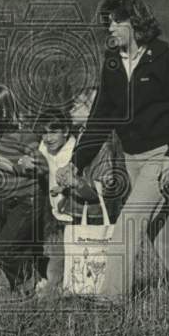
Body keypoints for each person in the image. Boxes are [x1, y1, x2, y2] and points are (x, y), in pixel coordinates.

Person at [67, 0, 169, 299]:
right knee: (158, 228)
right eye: (108, 22)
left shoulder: (163, 58)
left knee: (127, 224)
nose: (110, 27)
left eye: (117, 20)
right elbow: (100, 117)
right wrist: (76, 160)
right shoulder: (112, 63)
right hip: (132, 158)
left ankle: (111, 300)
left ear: (135, 21)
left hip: (160, 157)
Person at [48, 86, 129, 298]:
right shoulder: (82, 138)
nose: (72, 105)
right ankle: (68, 294)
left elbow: (103, 190)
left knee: (84, 265)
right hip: (80, 212)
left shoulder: (102, 145)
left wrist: (75, 184)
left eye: (79, 102)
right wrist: (65, 185)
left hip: (93, 216)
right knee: (66, 262)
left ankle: (83, 296)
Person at [0, 84, 48, 297]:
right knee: (25, 249)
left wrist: (25, 164)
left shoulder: (23, 136)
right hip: (9, 201)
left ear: (2, 112)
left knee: (3, 251)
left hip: (28, 200)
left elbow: (43, 165)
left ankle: (31, 283)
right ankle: (28, 292)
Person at [37, 109, 76, 224]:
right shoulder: (44, 146)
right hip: (53, 210)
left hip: (72, 212)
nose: (48, 138)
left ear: (65, 131)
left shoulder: (73, 150)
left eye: (53, 132)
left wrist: (63, 188)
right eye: (44, 132)